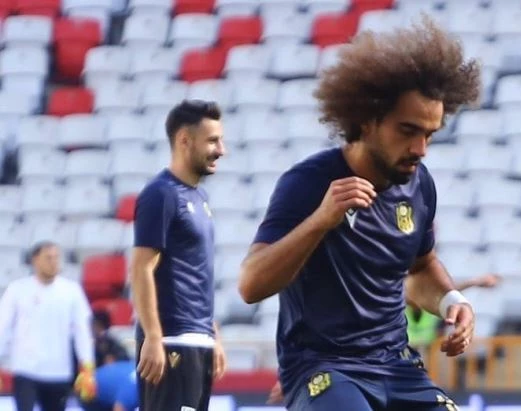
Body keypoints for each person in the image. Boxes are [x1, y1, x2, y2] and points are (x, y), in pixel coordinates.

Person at [238, 17, 482, 411]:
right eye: (408, 130)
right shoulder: (308, 183)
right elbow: (251, 285)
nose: (420, 149)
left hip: (397, 367)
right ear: (367, 121)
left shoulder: (419, 185)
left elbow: (420, 269)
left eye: (429, 134)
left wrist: (451, 300)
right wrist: (321, 221)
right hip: (325, 368)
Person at [267, 273, 502, 405]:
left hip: (407, 365)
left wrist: (456, 298)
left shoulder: (415, 292)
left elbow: (428, 287)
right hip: (362, 366)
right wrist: (299, 376)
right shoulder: (385, 291)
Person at [130, 99, 228, 411]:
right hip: (171, 341)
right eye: (212, 141)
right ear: (185, 140)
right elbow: (141, 269)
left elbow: (195, 271)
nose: (221, 150)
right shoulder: (161, 194)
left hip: (198, 340)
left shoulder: (200, 197)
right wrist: (153, 337)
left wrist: (212, 334)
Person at [0, 241, 97, 411]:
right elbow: (3, 327)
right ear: (35, 260)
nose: (53, 262)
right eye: (48, 258)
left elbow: (82, 331)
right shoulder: (17, 290)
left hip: (58, 371)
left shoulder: (71, 291)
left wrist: (87, 365)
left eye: (56, 258)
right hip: (25, 369)